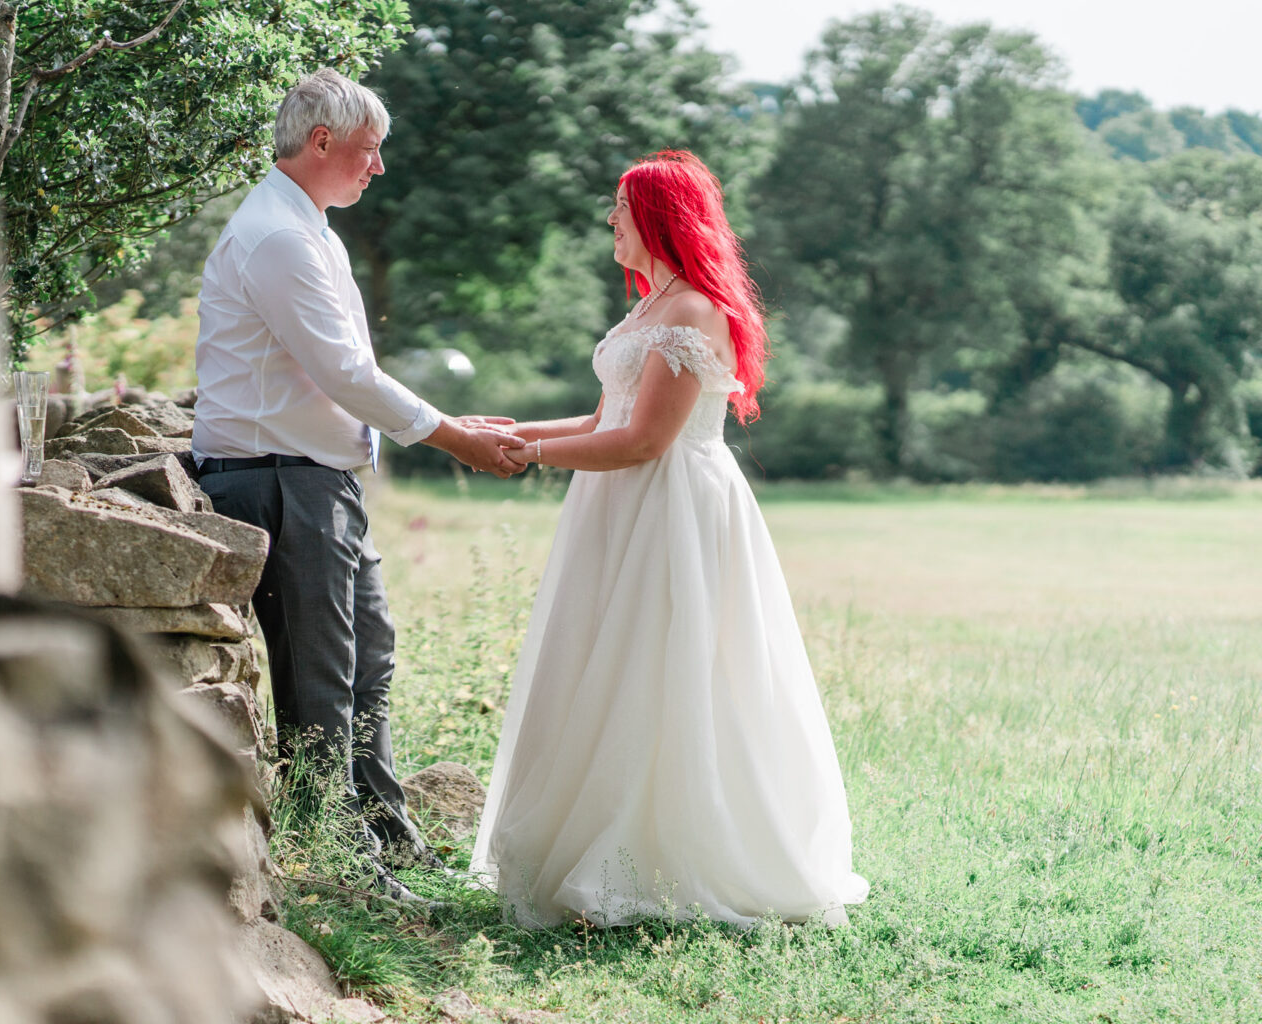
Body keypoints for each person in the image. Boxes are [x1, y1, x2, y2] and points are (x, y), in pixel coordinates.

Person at [469, 150, 869, 928]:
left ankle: (667, 860)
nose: (609, 221)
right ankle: (596, 841)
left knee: (670, 667)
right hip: (615, 506)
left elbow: (645, 442)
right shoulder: (650, 308)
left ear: (655, 216)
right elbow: (600, 422)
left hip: (672, 508)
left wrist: (529, 457)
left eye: (620, 208)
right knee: (605, 663)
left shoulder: (692, 314)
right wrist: (503, 431)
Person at [192, 69, 525, 902]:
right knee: (321, 682)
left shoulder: (312, 229)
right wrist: (452, 436)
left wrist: (449, 421)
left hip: (315, 479)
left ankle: (386, 837)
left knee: (367, 659)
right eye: (371, 152)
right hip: (277, 482)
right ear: (323, 143)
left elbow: (354, 371)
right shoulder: (277, 237)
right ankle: (341, 868)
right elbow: (343, 371)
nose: (378, 169)